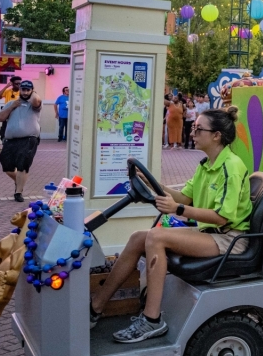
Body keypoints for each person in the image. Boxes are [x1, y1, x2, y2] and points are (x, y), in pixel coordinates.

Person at [90, 106, 253, 343]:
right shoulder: (206, 165)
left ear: (216, 135)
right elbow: (186, 197)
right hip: (209, 232)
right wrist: (153, 183)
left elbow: (222, 217)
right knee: (138, 236)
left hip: (229, 237)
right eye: (194, 128)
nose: (193, 133)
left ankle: (152, 320)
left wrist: (177, 210)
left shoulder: (231, 167)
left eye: (199, 129)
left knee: (157, 237)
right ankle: (95, 308)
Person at [0, 80, 42, 202]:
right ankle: (20, 181)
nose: (25, 92)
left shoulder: (33, 106)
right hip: (10, 140)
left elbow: (36, 100)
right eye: (23, 89)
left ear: (32, 91)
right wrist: (12, 107)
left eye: (28, 90)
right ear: (19, 90)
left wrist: (33, 93)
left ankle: (18, 192)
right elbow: (0, 118)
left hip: (29, 139)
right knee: (6, 166)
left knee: (23, 164)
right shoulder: (11, 104)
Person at [0, 76, 22, 142]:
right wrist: (6, 86)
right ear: (12, 84)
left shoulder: (22, 92)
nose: (18, 85)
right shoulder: (8, 91)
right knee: (4, 132)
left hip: (18, 116)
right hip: (7, 115)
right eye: (16, 84)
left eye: (19, 83)